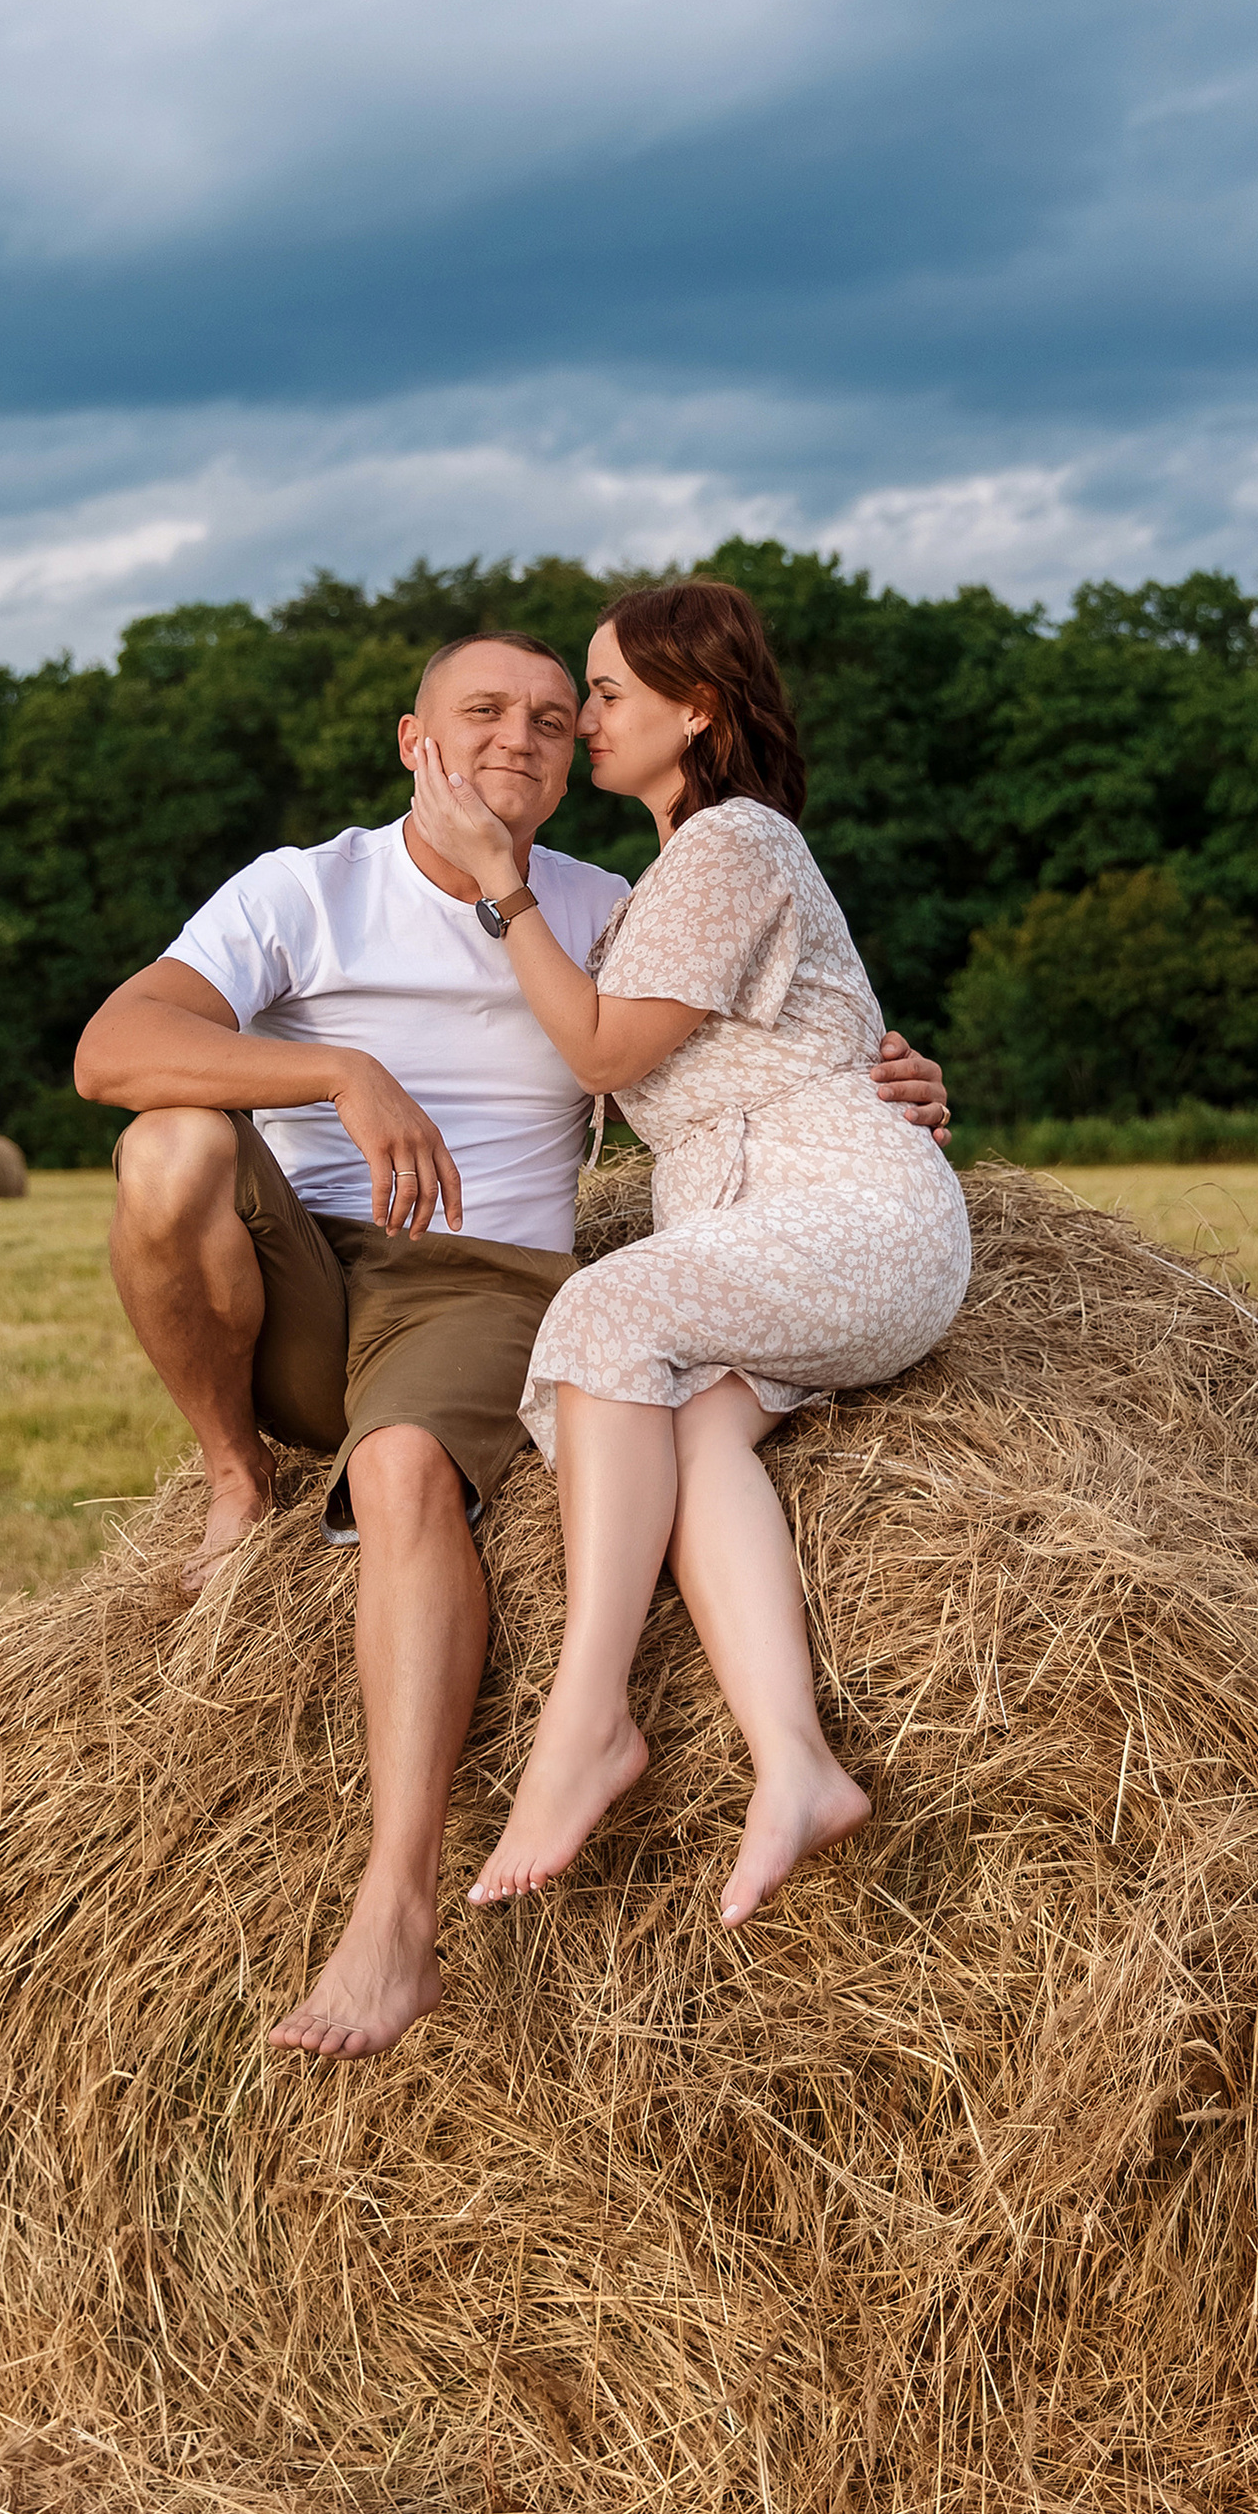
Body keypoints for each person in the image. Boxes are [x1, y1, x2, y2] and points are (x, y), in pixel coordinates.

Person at [71, 629, 951, 2059]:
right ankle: (237, 1477)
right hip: (299, 1274)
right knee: (168, 1147)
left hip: (477, 1286)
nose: (523, 738)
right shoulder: (309, 890)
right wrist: (338, 1073)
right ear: (411, 739)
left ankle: (396, 1919)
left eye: (558, 717)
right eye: (483, 712)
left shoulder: (605, 907)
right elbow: (110, 1053)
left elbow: (747, 1012)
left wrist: (891, 1073)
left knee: (409, 1474)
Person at [406, 581, 972, 1933]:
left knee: (607, 1313)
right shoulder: (672, 878)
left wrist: (500, 888)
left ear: (696, 707)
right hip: (771, 1226)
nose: (579, 721)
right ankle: (796, 1765)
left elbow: (602, 1050)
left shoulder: (732, 841)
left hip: (847, 1210)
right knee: (700, 1436)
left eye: (602, 695)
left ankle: (587, 1723)